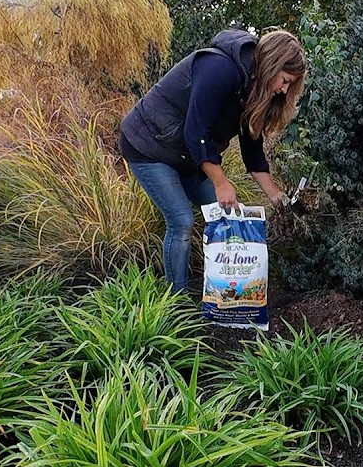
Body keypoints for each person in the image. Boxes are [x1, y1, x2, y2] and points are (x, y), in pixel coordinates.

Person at [119, 29, 306, 293]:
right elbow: (196, 133)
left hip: (186, 155)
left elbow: (252, 151)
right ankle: (177, 301)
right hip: (149, 144)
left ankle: (224, 291)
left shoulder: (253, 88)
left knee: (227, 217)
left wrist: (277, 197)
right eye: (285, 81)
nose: (283, 90)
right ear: (273, 63)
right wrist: (220, 182)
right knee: (181, 220)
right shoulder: (220, 68)